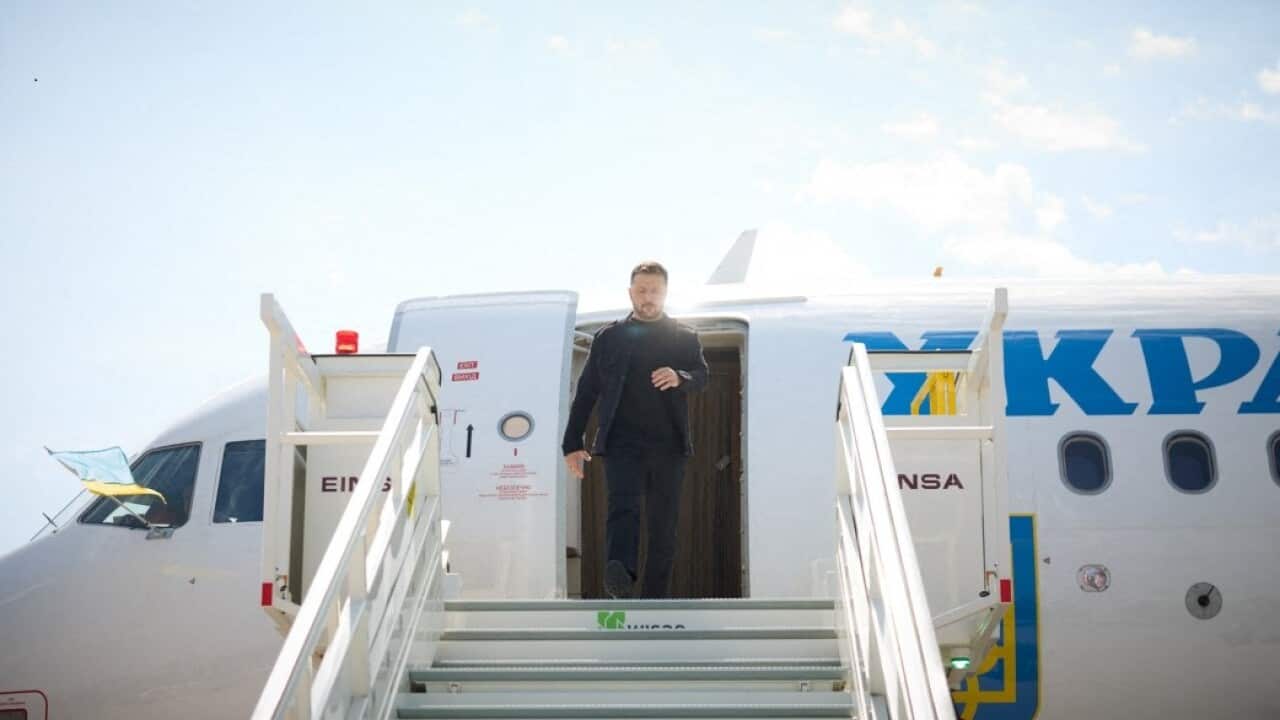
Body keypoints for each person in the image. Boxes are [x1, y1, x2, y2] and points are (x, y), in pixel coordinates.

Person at [561, 261, 709, 599]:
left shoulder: (684, 338)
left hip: (668, 445)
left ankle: (655, 597)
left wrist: (680, 376)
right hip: (620, 443)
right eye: (641, 291)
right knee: (622, 509)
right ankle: (620, 577)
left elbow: (703, 376)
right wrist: (572, 443)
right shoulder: (609, 338)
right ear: (630, 293)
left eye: (654, 291)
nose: (648, 297)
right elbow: (586, 393)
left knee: (663, 524)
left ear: (665, 293)